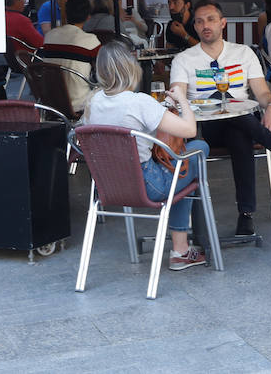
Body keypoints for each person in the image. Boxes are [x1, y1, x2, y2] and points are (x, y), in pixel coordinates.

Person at [169, 0, 271, 236]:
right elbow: (177, 98)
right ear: (194, 27)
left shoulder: (243, 53)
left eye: (211, 19)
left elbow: (263, 93)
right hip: (205, 128)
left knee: (239, 132)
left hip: (242, 125)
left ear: (223, 23)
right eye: (200, 21)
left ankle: (245, 216)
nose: (206, 25)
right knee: (236, 117)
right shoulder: (183, 60)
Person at [88, 40, 209, 270]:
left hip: (109, 185)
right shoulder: (139, 102)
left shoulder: (93, 102)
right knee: (198, 149)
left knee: (178, 172)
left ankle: (181, 250)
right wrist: (182, 100)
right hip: (148, 185)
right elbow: (190, 130)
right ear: (130, 67)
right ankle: (181, 250)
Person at [41, 0, 100, 115]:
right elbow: (102, 70)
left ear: (66, 15)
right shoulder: (91, 41)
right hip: (78, 103)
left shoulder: (49, 36)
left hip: (51, 103)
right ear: (88, 17)